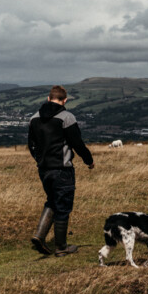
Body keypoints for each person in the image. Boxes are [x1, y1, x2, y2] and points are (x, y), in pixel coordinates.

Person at [28, 85, 95, 256]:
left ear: (48, 98)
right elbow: (77, 143)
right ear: (64, 100)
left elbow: (31, 145)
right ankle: (61, 246)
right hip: (62, 169)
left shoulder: (34, 118)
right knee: (63, 205)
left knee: (52, 200)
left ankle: (39, 235)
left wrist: (39, 160)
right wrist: (89, 160)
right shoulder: (66, 117)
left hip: (43, 169)